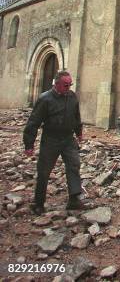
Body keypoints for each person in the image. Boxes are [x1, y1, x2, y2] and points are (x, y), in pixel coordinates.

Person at [23, 70, 85, 214]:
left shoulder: (72, 97)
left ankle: (74, 199)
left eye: (70, 85)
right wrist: (29, 144)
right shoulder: (45, 99)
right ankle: (39, 203)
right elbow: (33, 122)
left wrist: (79, 132)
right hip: (51, 139)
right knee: (44, 171)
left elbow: (76, 116)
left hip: (68, 139)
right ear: (56, 84)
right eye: (65, 85)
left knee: (74, 165)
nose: (68, 87)